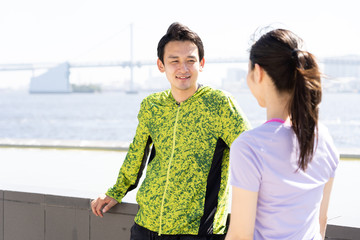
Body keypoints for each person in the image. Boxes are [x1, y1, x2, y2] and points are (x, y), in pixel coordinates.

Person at [91, 22, 250, 239]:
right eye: (174, 61)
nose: (183, 69)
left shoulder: (219, 104)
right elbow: (136, 155)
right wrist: (116, 191)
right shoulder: (152, 105)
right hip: (146, 226)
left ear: (201, 64)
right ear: (161, 65)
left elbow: (252, 154)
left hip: (196, 231)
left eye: (190, 61)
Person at [226, 29, 339, 240]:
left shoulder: (249, 147)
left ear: (257, 73)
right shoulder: (324, 138)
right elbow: (320, 222)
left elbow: (240, 235)